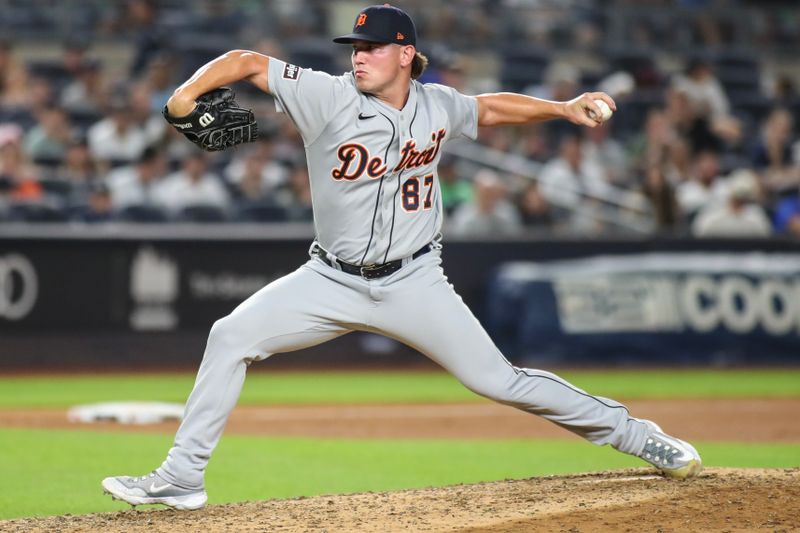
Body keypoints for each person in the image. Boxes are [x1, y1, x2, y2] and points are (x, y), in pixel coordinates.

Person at [102, 4, 702, 511]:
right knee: (230, 335)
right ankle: (183, 477)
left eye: (371, 47)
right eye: (354, 46)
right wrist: (185, 95)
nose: (357, 56)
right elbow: (248, 63)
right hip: (328, 278)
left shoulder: (436, 106)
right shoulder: (326, 96)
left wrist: (563, 109)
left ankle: (636, 434)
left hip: (415, 279)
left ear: (407, 54)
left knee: (501, 381)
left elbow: (488, 108)